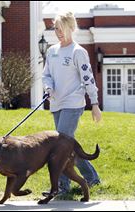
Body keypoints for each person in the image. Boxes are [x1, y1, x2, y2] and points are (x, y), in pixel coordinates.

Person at [42, 12, 101, 196]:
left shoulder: (78, 52)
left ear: (71, 28)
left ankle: (61, 186)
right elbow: (47, 75)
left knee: (60, 145)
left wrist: (95, 103)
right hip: (56, 104)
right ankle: (91, 178)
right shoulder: (52, 51)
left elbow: (88, 78)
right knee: (68, 145)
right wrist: (48, 88)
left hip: (73, 103)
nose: (59, 32)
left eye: (62, 28)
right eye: (56, 28)